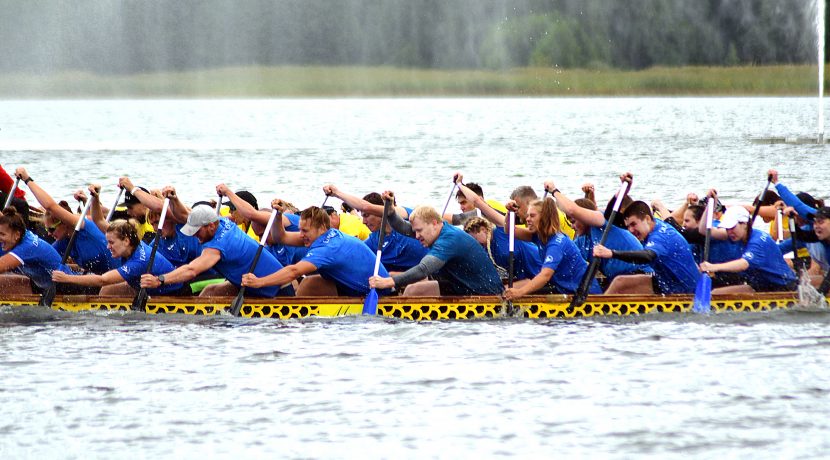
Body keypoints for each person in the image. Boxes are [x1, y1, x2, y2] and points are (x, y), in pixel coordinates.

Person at [140, 202, 293, 298]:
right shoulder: (222, 221)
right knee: (210, 292)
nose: (196, 237)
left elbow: (192, 270)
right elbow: (183, 214)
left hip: (277, 290)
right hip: (250, 284)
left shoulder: (217, 246)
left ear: (211, 226)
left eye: (197, 231)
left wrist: (159, 280)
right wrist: (173, 198)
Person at [242, 203, 390, 296]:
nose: (301, 235)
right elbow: (281, 237)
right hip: (356, 285)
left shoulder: (328, 248)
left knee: (308, 283)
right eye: (300, 230)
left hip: (377, 291)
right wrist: (278, 216)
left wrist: (259, 282)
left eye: (305, 231)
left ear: (322, 228)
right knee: (311, 282)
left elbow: (294, 271)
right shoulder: (324, 235)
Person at [368, 195, 504, 296]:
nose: (416, 236)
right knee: (412, 290)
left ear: (434, 223)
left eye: (419, 231)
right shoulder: (437, 230)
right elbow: (403, 227)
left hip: (485, 293)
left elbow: (423, 270)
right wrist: (391, 212)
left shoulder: (449, 240)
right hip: (461, 285)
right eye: (415, 231)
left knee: (411, 287)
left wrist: (389, 282)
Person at [544, 180, 652, 288]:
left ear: (584, 217)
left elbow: (572, 210)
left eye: (573, 222)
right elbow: (565, 257)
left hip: (643, 275)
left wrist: (554, 191)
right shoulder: (582, 241)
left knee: (617, 283)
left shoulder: (601, 222)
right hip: (618, 281)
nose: (572, 226)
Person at [16, 167, 117, 275]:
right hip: (99, 279)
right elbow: (42, 256)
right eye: (46, 229)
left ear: (64, 222)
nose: (49, 233)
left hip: (120, 277)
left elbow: (50, 206)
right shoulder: (63, 241)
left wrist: (27, 180)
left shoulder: (80, 225)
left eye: (51, 229)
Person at [51, 219, 189, 296]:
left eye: (111, 243)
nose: (108, 247)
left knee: (105, 287)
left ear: (126, 241)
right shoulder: (131, 243)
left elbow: (102, 280)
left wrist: (67, 278)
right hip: (146, 287)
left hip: (172, 293)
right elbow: (102, 223)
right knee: (107, 291)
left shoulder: (139, 261)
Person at [502, 195, 600, 300]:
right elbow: (509, 230)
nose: (527, 219)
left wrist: (519, 293)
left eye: (532, 216)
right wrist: (510, 213)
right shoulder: (538, 236)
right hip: (565, 289)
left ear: (544, 218)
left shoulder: (556, 244)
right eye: (528, 216)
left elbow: (545, 275)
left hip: (587, 294)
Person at [593, 199, 699, 295]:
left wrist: (612, 253)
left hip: (688, 291)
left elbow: (647, 256)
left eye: (633, 224)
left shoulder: (661, 236)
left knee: (620, 283)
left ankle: (600, 311)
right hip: (667, 283)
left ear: (647, 219)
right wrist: (620, 193)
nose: (630, 230)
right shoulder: (650, 227)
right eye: (628, 226)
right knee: (620, 282)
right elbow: (609, 216)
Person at [453, 177, 541, 283]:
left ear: (483, 229)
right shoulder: (483, 250)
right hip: (527, 279)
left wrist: (459, 184)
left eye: (475, 238)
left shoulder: (501, 227)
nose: (475, 243)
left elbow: (477, 201)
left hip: (541, 270)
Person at [699, 206, 797, 293]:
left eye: (732, 227)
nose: (729, 232)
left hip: (784, 288)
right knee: (715, 293)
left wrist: (713, 267)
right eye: (727, 228)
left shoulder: (757, 241)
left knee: (716, 295)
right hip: (760, 287)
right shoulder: (735, 234)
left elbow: (743, 264)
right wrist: (710, 205)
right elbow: (704, 230)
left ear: (745, 224)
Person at [0, 207, 76, 295]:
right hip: (42, 285)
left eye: (2, 234)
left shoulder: (27, 247)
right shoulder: (19, 233)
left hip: (66, 288)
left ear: (17, 234)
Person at [361, 192, 427, 273]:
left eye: (366, 215)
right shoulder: (373, 241)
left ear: (379, 212)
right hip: (398, 280)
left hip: (430, 273)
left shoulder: (410, 219)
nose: (363, 222)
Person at [509, 185, 575, 239]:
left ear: (529, 203)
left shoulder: (548, 215)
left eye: (517, 207)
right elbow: (509, 229)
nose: (515, 211)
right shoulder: (534, 217)